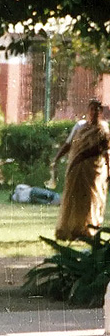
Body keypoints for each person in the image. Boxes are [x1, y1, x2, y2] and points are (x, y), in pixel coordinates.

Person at [52, 98, 110, 240]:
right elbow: (68, 144)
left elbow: (106, 151)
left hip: (94, 172)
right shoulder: (79, 126)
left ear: (100, 112)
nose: (94, 112)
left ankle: (87, 231)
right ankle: (70, 230)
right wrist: (56, 158)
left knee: (91, 200)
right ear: (87, 111)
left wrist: (109, 170)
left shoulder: (103, 129)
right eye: (92, 109)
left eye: (97, 110)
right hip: (77, 168)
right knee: (74, 198)